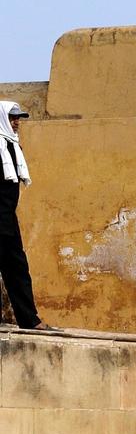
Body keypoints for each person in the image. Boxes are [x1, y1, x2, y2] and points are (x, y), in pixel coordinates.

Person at [0, 101, 48, 330]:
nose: (17, 122)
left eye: (18, 118)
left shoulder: (13, 147)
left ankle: (29, 320)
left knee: (18, 270)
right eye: (12, 118)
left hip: (7, 220)